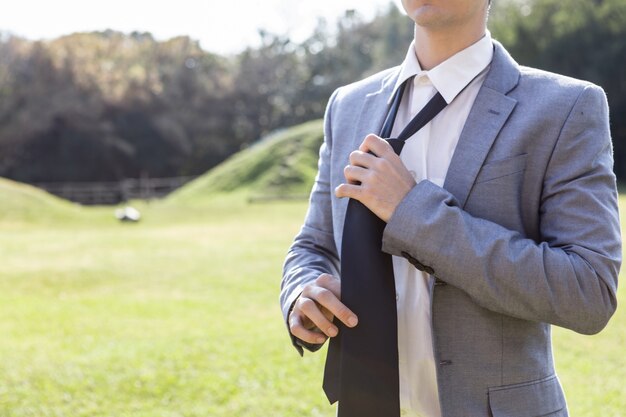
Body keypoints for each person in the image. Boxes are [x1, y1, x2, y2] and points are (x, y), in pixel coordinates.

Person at [280, 0, 621, 416]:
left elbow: (588, 293)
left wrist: (412, 212)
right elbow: (313, 245)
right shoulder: (348, 105)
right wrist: (302, 292)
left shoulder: (566, 107)